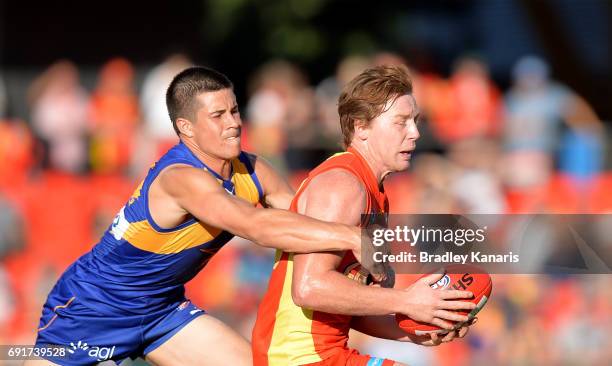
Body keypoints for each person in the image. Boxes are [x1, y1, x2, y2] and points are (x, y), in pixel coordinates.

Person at [28, 66, 377, 366]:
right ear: (186, 128)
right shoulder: (181, 178)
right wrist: (350, 238)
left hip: (161, 310)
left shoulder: (254, 170)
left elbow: (305, 222)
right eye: (218, 116)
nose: (234, 124)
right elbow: (257, 226)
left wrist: (400, 248)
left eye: (235, 111)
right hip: (94, 308)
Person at [252, 65, 476, 366]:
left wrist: (417, 330)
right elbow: (309, 288)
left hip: (321, 355)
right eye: (401, 122)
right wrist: (407, 300)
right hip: (299, 358)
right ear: (361, 127)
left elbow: (350, 305)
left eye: (416, 121)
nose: (416, 133)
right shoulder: (343, 185)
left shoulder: (372, 192)